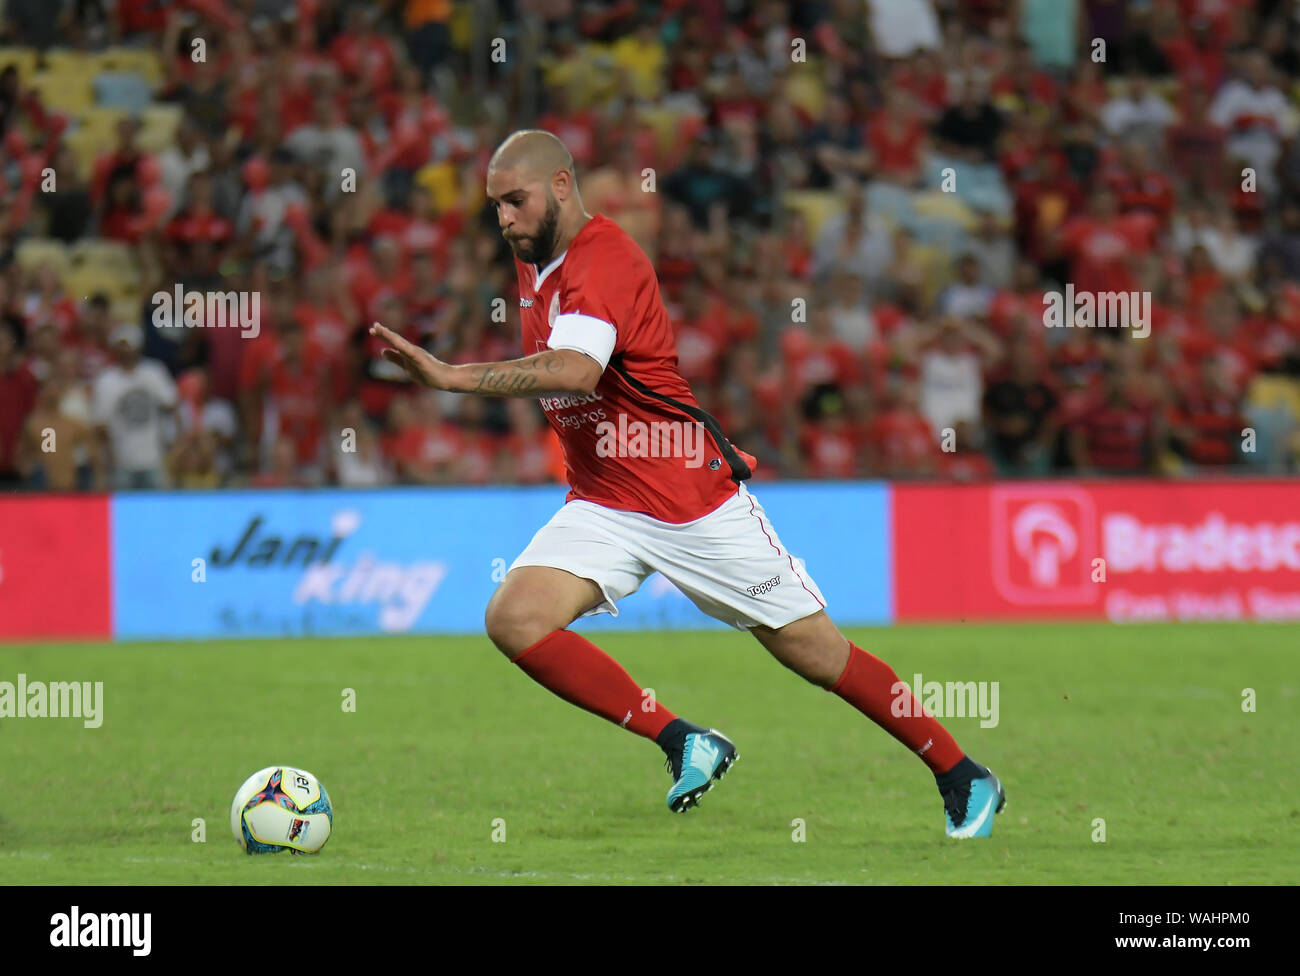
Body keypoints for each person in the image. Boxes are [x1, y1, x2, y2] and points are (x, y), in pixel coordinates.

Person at [368, 130, 1006, 837]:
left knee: (818, 655)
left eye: (514, 202)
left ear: (559, 187)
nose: (504, 219)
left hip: (689, 499)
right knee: (514, 619)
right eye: (494, 206)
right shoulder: (535, 262)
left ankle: (962, 773)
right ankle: (685, 741)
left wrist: (454, 377)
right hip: (605, 499)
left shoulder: (604, 258)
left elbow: (578, 370)